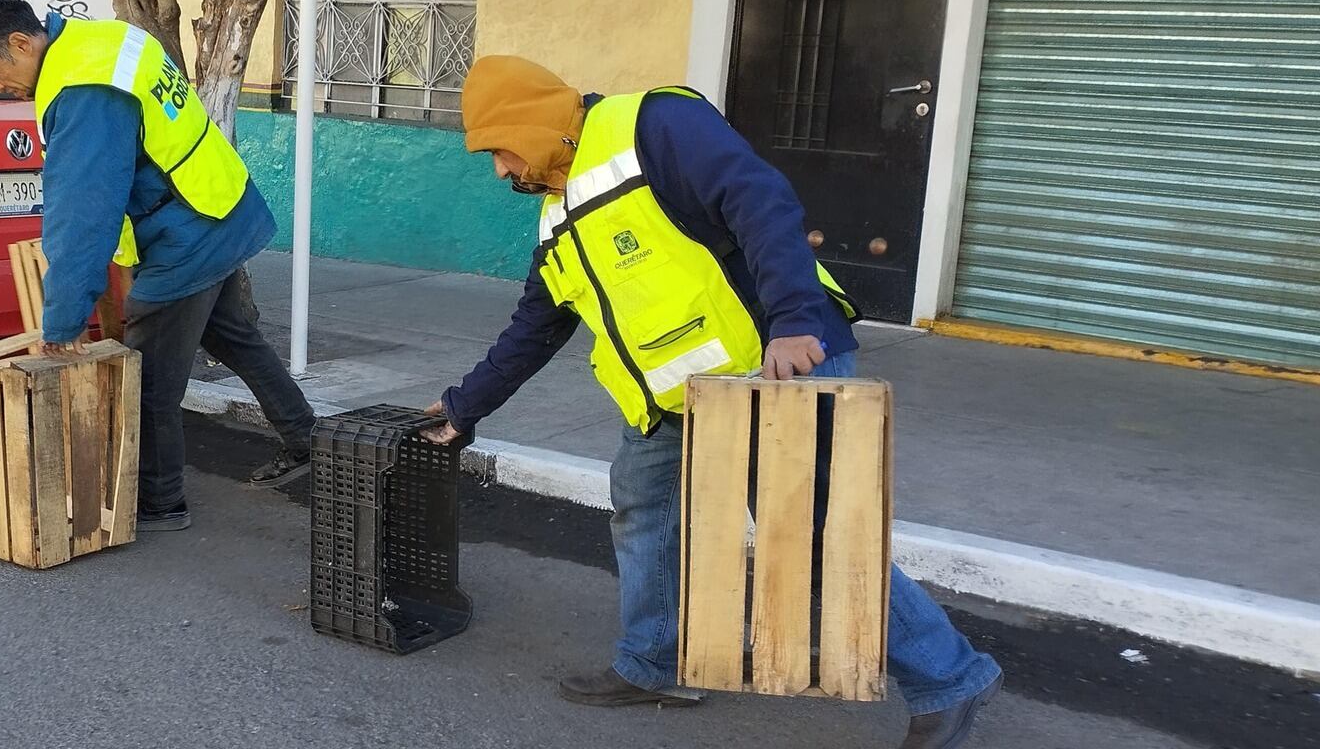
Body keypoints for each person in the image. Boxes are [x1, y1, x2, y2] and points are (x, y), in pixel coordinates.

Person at [424, 56, 1002, 749]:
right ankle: (653, 664)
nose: (498, 170)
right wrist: (464, 406)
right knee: (644, 510)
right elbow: (533, 327)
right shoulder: (559, 215)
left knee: (809, 532)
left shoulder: (656, 125)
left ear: (530, 120)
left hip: (774, 366)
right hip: (673, 400)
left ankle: (952, 679)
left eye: (497, 148)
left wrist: (792, 320)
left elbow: (759, 199)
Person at [0, 0, 316, 532]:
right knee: (231, 337)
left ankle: (160, 502)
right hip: (217, 205)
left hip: (185, 233)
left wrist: (62, 320)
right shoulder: (98, 40)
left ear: (20, 43)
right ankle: (307, 438)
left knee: (146, 378)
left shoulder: (82, 89)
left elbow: (82, 214)